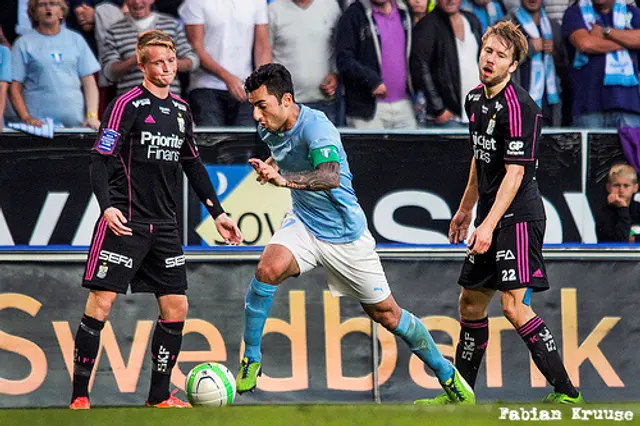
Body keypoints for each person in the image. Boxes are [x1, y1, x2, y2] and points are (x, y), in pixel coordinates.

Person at [234, 63, 475, 405]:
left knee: (387, 315)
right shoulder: (269, 127)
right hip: (303, 222)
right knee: (266, 270)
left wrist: (283, 181)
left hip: (345, 236)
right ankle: (251, 358)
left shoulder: (317, 127)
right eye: (253, 106)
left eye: (262, 106)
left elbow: (330, 176)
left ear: (286, 100)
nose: (257, 115)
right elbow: (284, 150)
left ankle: (449, 378)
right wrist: (272, 165)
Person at [68, 30, 243, 410]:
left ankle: (158, 397)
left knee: (176, 306)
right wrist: (106, 207)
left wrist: (219, 213)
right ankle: (80, 397)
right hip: (125, 221)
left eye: (170, 61)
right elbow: (100, 158)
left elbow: (193, 163)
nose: (166, 68)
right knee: (101, 303)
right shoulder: (126, 104)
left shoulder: (181, 110)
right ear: (143, 65)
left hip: (165, 226)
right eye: (158, 62)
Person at [415, 21, 583, 405]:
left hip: (519, 217)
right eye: (487, 50)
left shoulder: (521, 107)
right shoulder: (474, 99)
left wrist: (487, 225)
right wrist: (465, 209)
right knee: (470, 304)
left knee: (512, 305)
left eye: (500, 55)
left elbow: (515, 172)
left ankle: (567, 393)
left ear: (512, 65)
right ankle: (461, 396)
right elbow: (480, 156)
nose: (490, 59)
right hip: (491, 215)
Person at [9, 0, 101, 129]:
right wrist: (26, 117)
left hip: (75, 125)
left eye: (53, 4)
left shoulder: (76, 40)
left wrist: (92, 116)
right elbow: (14, 87)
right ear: (34, 14)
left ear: (61, 12)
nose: (48, 8)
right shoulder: (23, 43)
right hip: (39, 128)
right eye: (42, 4)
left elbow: (89, 82)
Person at [179, 0, 272, 127]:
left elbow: (262, 45)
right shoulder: (195, 2)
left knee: (245, 142)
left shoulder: (257, 2)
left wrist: (259, 83)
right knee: (212, 143)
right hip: (205, 87)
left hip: (246, 88)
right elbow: (196, 48)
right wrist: (228, 78)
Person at [336, 0, 417, 130]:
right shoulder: (353, 15)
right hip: (368, 109)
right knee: (371, 150)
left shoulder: (405, 12)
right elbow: (344, 59)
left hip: (405, 104)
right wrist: (371, 80)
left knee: (412, 149)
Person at [561, 0, 640, 127]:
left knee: (629, 147)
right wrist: (626, 42)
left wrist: (606, 32)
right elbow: (585, 44)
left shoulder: (633, 12)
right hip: (589, 105)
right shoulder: (575, 12)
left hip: (628, 104)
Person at [101, 0, 199, 96]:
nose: (137, 2)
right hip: (132, 103)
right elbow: (109, 72)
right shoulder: (114, 30)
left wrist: (165, 59)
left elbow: (193, 61)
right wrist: (137, 58)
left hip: (169, 101)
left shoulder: (171, 24)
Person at [410, 0, 482, 127]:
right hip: (448, 117)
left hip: (475, 113)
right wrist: (438, 108)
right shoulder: (427, 25)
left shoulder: (472, 20)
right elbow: (420, 67)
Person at [268, 0, 342, 123]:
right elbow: (265, 53)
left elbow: (340, 48)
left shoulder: (331, 6)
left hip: (324, 103)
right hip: (285, 105)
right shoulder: (274, 10)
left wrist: (335, 74)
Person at [507, 0, 569, 126]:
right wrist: (529, 49)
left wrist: (555, 52)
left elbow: (565, 67)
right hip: (518, 104)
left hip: (549, 104)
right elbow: (500, 63)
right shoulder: (507, 25)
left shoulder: (553, 26)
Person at [596, 164, 640, 243]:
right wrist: (623, 208)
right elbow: (620, 243)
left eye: (626, 185)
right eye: (616, 185)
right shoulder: (603, 213)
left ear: (635, 188)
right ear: (608, 187)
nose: (621, 190)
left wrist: (635, 239)